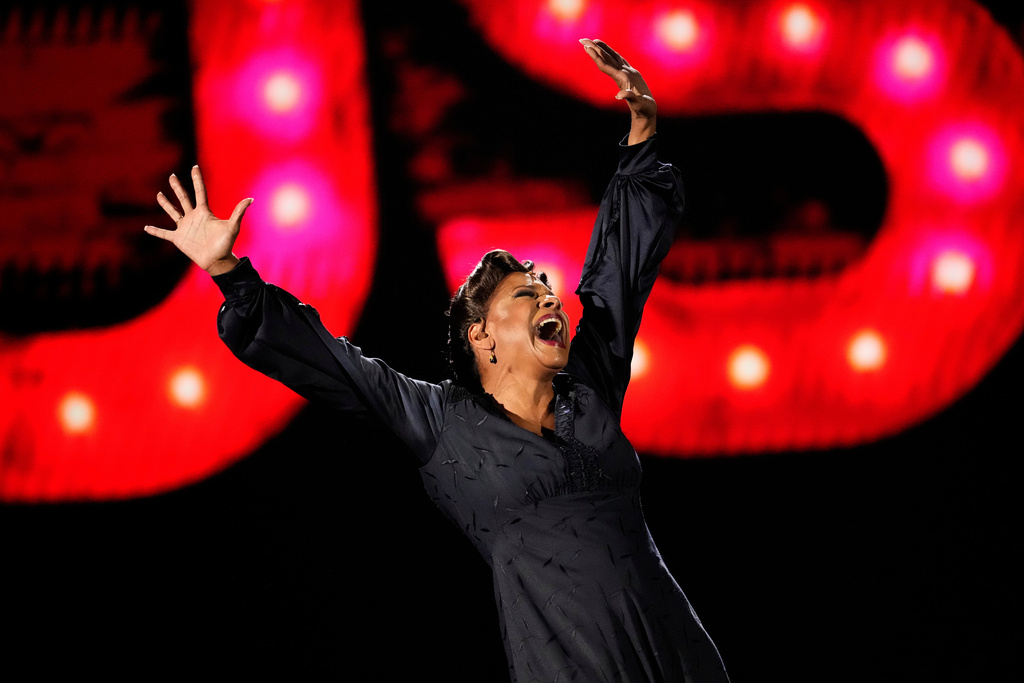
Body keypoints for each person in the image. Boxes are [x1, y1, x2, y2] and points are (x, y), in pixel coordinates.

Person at [146, 38, 729, 683]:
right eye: (527, 295)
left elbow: (616, 276)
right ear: (482, 337)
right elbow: (333, 362)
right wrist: (229, 273)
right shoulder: (441, 422)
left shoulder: (589, 387)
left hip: (679, 657)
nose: (550, 299)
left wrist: (641, 135)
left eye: (547, 291)